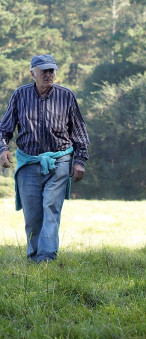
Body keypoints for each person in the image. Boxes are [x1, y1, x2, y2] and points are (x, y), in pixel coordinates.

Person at [0, 54, 90, 262]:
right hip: (28, 162)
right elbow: (4, 129)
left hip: (59, 161)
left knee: (51, 207)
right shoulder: (20, 95)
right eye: (44, 71)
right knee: (32, 216)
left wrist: (80, 160)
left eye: (52, 71)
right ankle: (34, 257)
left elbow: (79, 132)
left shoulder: (67, 96)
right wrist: (3, 149)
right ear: (33, 73)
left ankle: (46, 258)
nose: (49, 75)